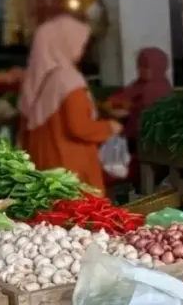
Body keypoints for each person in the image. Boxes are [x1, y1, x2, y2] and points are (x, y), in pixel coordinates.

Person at [17, 15, 121, 189]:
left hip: (43, 166)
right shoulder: (68, 79)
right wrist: (110, 127)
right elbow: (79, 127)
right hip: (70, 169)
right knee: (78, 214)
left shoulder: (37, 79)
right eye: (79, 43)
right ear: (64, 43)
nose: (81, 49)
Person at [121, 47, 173, 147]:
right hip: (132, 134)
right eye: (139, 65)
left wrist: (129, 108)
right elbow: (123, 97)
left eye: (145, 66)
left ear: (158, 67)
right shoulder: (138, 84)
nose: (140, 69)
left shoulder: (159, 87)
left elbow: (147, 110)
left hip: (147, 136)